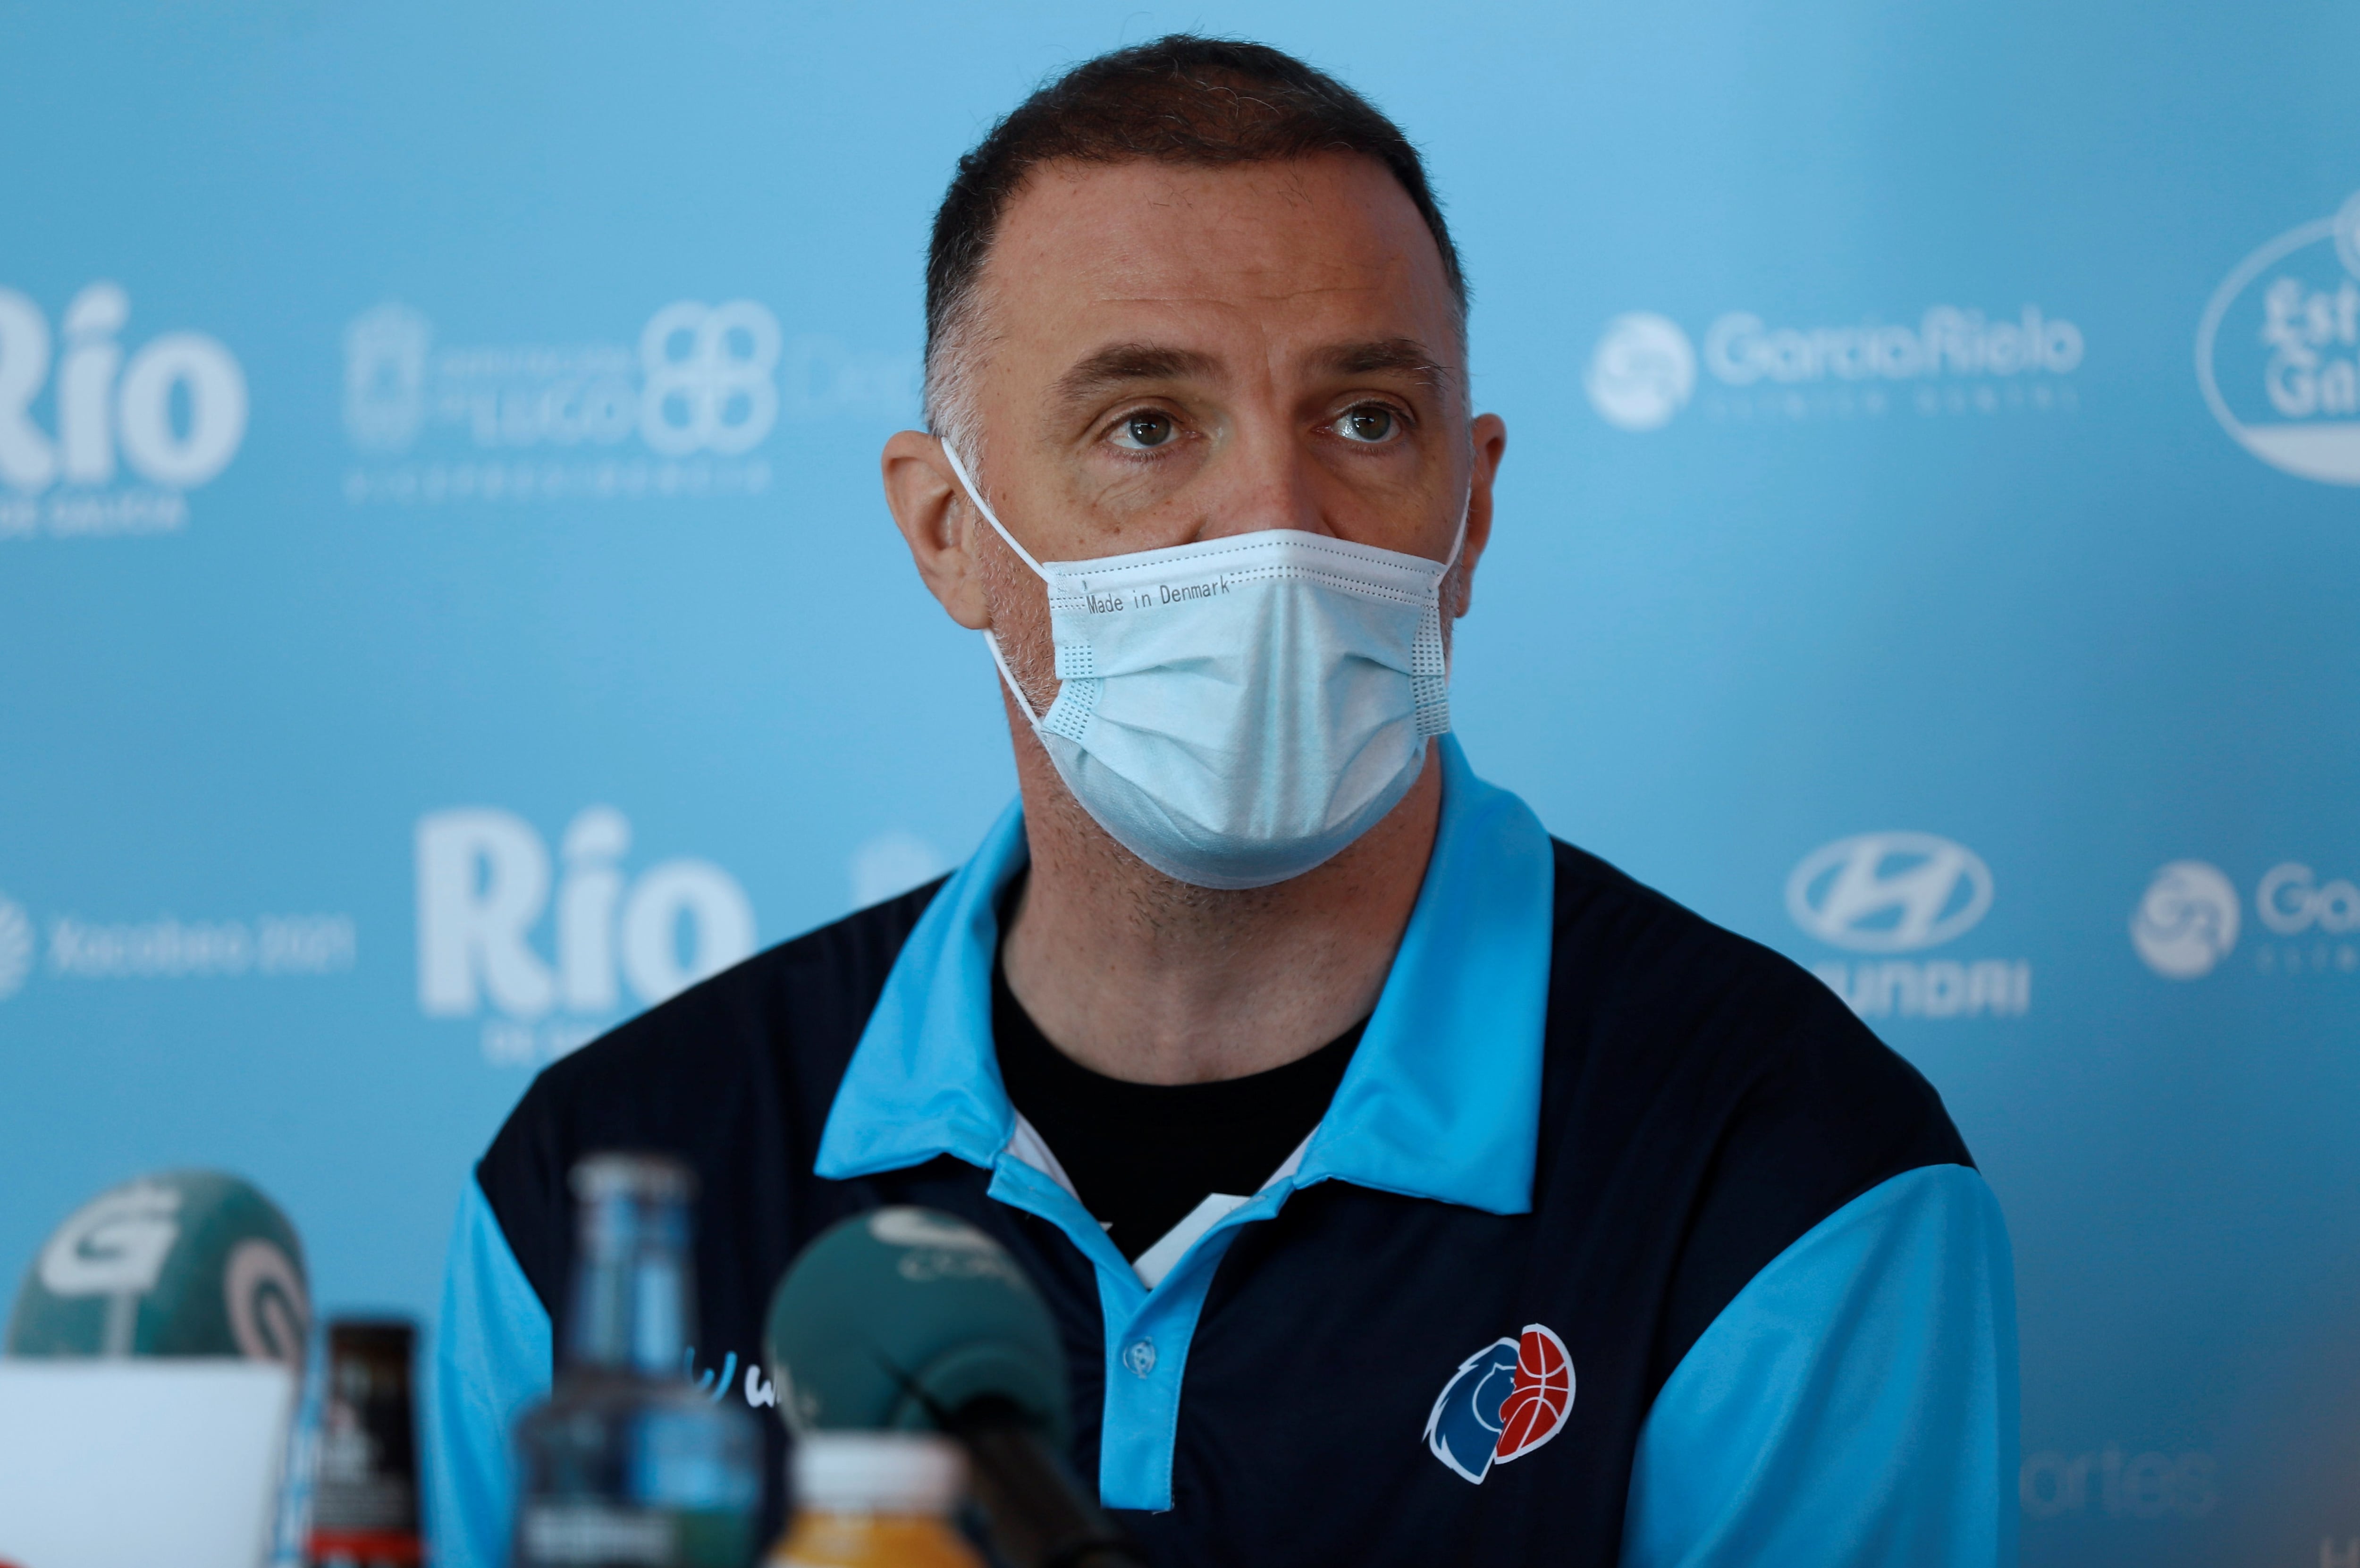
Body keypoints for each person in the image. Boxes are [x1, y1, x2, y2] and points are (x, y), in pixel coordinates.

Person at [430, 35, 2017, 1567]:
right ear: (946, 532)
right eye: (1145, 426)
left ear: (1468, 520)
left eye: (1366, 418)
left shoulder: (1790, 1178)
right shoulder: (608, 1186)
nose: (1269, 521)